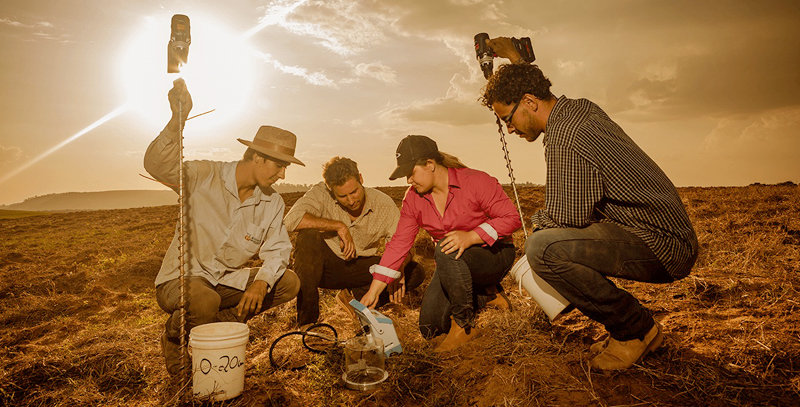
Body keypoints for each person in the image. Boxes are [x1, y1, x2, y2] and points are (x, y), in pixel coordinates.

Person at [480, 37, 699, 370]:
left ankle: (634, 330)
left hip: (662, 245)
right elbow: (533, 89)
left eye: (508, 118)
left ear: (529, 102)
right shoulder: (577, 109)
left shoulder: (565, 138)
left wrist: (535, 229)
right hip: (666, 234)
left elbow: (566, 218)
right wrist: (516, 61)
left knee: (543, 249)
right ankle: (641, 331)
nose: (509, 129)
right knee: (546, 241)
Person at [144, 79, 301, 376]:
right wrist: (177, 120)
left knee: (288, 282)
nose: (282, 174)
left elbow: (278, 249)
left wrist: (261, 282)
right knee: (205, 300)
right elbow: (157, 166)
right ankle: (174, 338)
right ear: (257, 157)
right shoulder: (205, 175)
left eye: (285, 168)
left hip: (224, 281)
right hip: (180, 279)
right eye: (279, 165)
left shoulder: (272, 203)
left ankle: (224, 324)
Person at [360, 135, 521, 352]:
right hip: (452, 262)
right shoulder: (413, 198)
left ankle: (464, 325)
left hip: (494, 254)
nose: (408, 180)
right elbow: (399, 243)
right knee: (430, 327)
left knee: (445, 248)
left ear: (430, 164)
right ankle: (487, 295)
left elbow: (512, 218)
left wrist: (471, 236)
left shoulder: (476, 181)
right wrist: (374, 290)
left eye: (411, 172)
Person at [283, 156, 425, 327]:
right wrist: (339, 226)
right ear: (330, 190)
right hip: (323, 269)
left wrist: (398, 267)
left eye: (354, 192)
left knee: (414, 272)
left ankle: (356, 301)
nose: (351, 201)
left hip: (360, 267)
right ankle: (308, 323)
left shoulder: (383, 204)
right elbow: (290, 221)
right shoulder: (321, 193)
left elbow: (403, 246)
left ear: (361, 179)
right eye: (342, 196)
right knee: (307, 237)